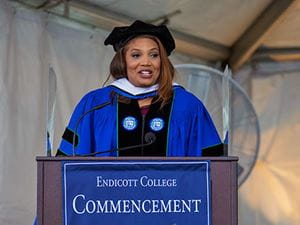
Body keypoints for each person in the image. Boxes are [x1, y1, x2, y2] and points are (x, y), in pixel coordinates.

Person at [57, 20, 222, 157]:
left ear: (162, 62)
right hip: (109, 196)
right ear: (123, 61)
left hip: (173, 197)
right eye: (136, 55)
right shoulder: (95, 104)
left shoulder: (188, 106)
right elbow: (68, 165)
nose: (146, 62)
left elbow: (214, 167)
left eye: (154, 55)